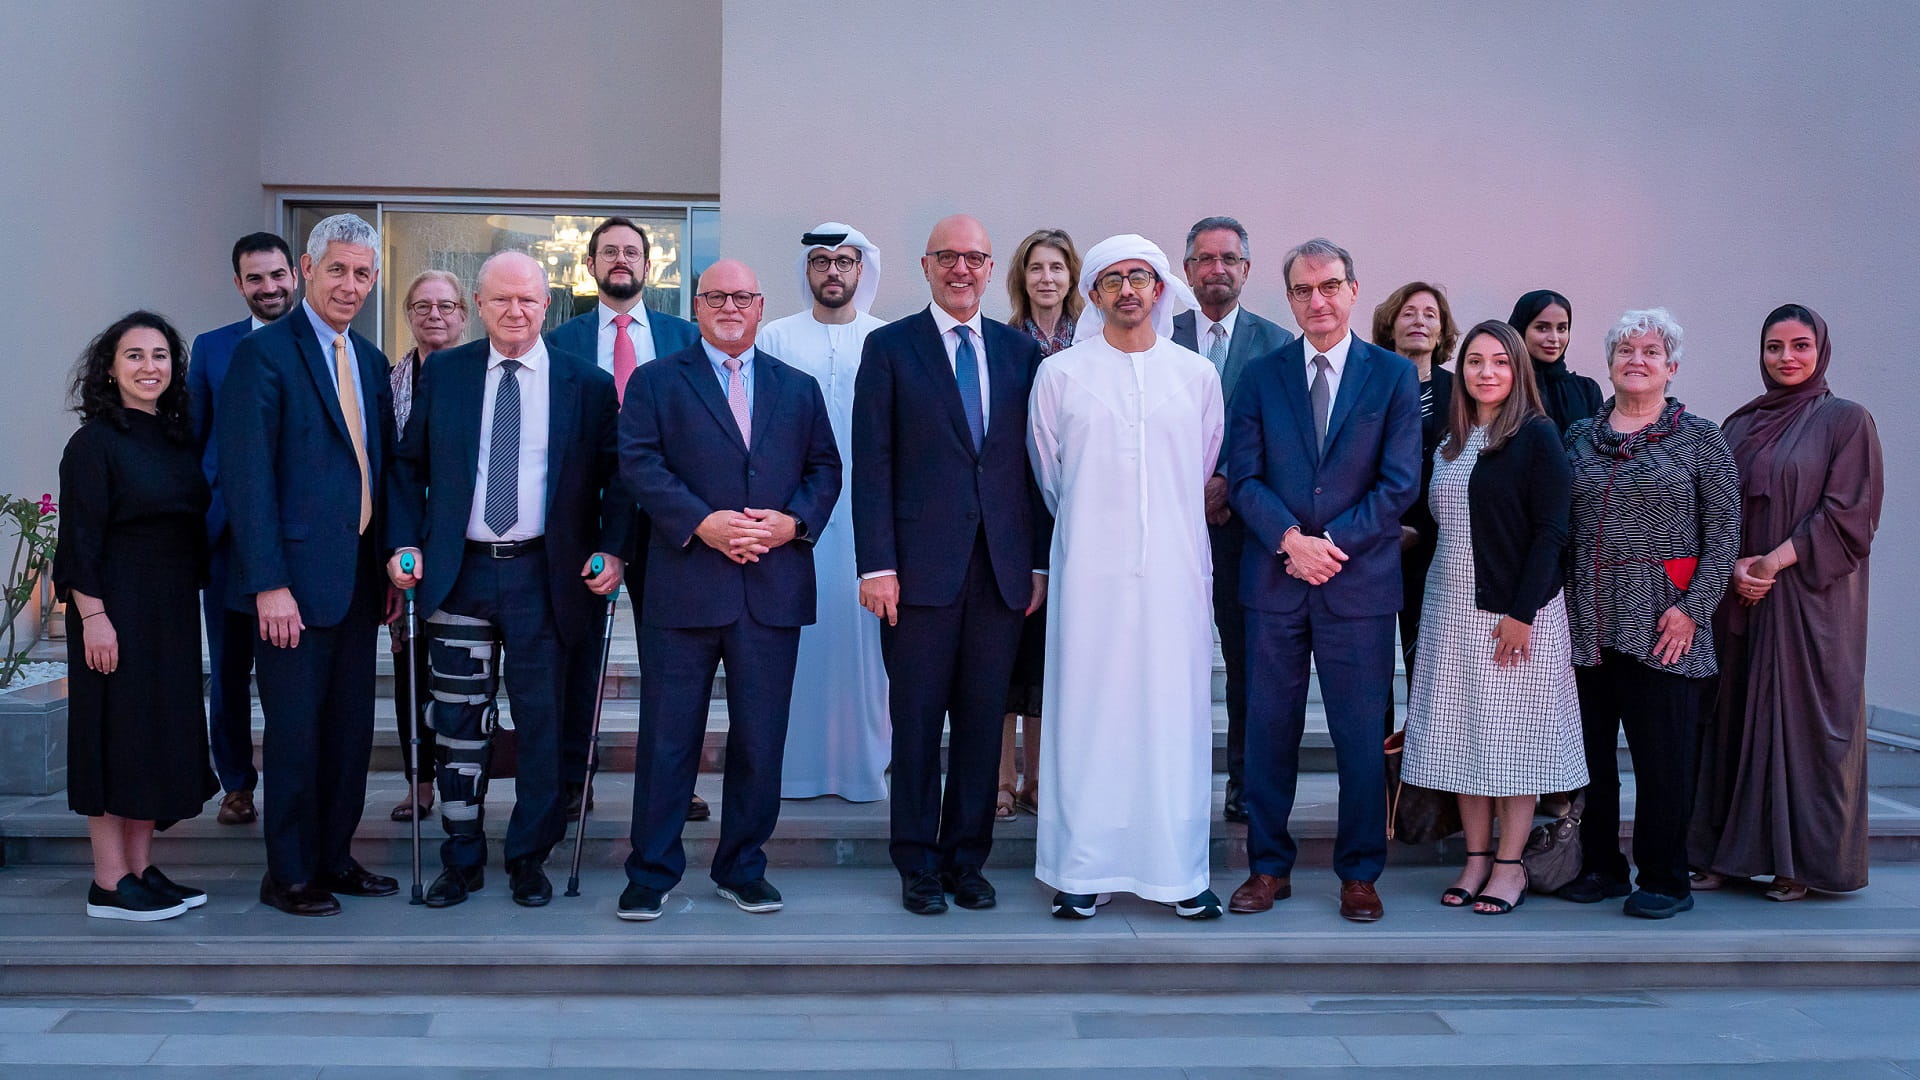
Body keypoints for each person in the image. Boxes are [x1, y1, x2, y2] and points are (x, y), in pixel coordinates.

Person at [387, 252, 626, 908]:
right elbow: (407, 467)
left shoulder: (587, 384)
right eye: (500, 301)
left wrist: (613, 551)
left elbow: (619, 479)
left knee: (542, 723)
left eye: (527, 300)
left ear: (547, 305)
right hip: (459, 573)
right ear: (480, 305)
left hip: (544, 576)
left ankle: (529, 856)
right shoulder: (448, 374)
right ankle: (460, 857)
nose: (514, 312)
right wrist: (404, 540)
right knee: (459, 723)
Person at [616, 259, 840, 921]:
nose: (731, 306)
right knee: (667, 737)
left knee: (760, 739)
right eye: (717, 296)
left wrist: (791, 523)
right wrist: (703, 524)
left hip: (771, 588)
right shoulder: (657, 382)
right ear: (697, 305)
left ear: (761, 305)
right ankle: (650, 872)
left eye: (743, 296)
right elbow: (638, 461)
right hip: (685, 585)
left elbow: (825, 467)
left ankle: (742, 867)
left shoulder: (796, 389)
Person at [1027, 233, 1224, 920]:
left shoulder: (1196, 377)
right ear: (1095, 294)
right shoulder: (1061, 376)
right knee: (1090, 717)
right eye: (1113, 280)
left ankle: (1178, 871)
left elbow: (1201, 469)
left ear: (1162, 288)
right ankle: (1083, 870)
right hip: (1089, 579)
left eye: (1141, 276)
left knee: (1173, 719)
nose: (1128, 290)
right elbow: (1051, 475)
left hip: (1174, 576)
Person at [854, 215, 1046, 915]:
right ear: (926, 266)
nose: (962, 269)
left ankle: (968, 861)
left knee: (977, 723)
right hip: (915, 577)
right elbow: (871, 464)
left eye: (975, 257)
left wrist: (1038, 566)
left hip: (999, 576)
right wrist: (876, 565)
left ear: (991, 268)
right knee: (914, 724)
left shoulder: (1020, 355)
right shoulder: (890, 348)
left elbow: (1032, 470)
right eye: (948, 257)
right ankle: (917, 865)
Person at [1227, 238, 1420, 923]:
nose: (1319, 301)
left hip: (1357, 584)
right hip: (1275, 583)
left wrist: (1327, 545)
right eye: (1305, 291)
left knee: (1360, 736)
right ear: (1291, 299)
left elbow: (1399, 484)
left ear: (1353, 289)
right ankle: (1267, 868)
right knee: (1269, 731)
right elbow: (1243, 477)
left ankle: (1360, 872)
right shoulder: (1260, 375)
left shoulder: (1393, 377)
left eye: (1330, 286)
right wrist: (1288, 541)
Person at [220, 213, 400, 917]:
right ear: (305, 270)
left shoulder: (372, 361)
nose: (350, 285)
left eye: (362, 273)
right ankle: (288, 872)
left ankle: (333, 856)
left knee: (349, 732)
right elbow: (247, 479)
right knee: (295, 734)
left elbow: (376, 474)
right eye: (337, 270)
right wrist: (268, 582)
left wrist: (386, 566)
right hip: (289, 588)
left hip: (356, 582)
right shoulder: (264, 357)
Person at [1690, 305, 1882, 901]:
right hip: (1741, 597)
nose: (1786, 358)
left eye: (1800, 346)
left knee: (1799, 725)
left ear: (1821, 351)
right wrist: (1736, 566)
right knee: (1732, 720)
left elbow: (1849, 514)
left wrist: (1772, 561)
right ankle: (1726, 855)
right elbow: (1714, 506)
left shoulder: (1846, 421)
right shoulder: (1740, 425)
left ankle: (1798, 863)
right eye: (1774, 347)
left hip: (1810, 603)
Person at [1400, 321, 1586, 915]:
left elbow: (1552, 531)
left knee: (1515, 742)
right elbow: (1439, 526)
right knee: (1460, 741)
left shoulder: (1536, 436)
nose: (1486, 372)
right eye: (1475, 361)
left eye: (1500, 362)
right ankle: (1475, 857)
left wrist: (1521, 613)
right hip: (1447, 612)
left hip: (1512, 615)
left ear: (1518, 371)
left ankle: (1509, 866)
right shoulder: (1450, 443)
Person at [1560, 308, 1739, 919]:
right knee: (1591, 760)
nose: (1637, 360)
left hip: (1665, 627)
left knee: (1664, 763)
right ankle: (1602, 868)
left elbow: (1724, 537)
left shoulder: (1701, 439)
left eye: (1650, 351)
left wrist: (1692, 610)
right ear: (1608, 364)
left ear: (1672, 367)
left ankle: (1666, 877)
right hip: (1587, 627)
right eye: (1625, 350)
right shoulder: (1578, 437)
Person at [56, 312, 217, 920]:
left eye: (160, 356)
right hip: (113, 608)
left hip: (170, 609)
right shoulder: (94, 442)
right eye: (134, 356)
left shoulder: (177, 438)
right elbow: (79, 539)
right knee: (114, 736)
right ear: (109, 368)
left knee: (156, 736)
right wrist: (93, 616)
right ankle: (107, 881)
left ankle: (141, 868)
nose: (150, 367)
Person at [546, 216, 704, 822]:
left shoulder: (686, 336)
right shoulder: (560, 340)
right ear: (589, 266)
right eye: (608, 251)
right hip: (586, 526)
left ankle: (673, 786)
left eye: (632, 252)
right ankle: (570, 783)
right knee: (577, 659)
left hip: (671, 524)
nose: (621, 260)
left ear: (649, 266)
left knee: (673, 667)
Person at [758, 223, 890, 803]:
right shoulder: (776, 338)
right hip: (799, 520)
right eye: (821, 262)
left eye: (844, 262)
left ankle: (864, 769)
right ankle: (794, 771)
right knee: (799, 646)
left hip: (869, 520)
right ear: (806, 272)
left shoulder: (885, 340)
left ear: (862, 271)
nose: (832, 272)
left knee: (865, 652)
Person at [1172, 216, 1295, 823]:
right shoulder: (1155, 337)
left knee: (1249, 665)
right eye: (1204, 259)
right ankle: (1170, 777)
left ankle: (1244, 783)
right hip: (1170, 532)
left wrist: (1225, 485)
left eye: (1228, 259)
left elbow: (1286, 438)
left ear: (1246, 269)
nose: (1216, 269)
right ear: (1187, 268)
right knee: (1167, 659)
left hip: (1247, 535)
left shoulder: (1278, 345)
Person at [185, 232, 299, 827]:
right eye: (255, 279)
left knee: (290, 671)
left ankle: (291, 781)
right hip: (228, 538)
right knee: (228, 668)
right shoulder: (211, 349)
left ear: (295, 274)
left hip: (300, 537)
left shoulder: (320, 344)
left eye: (277, 274)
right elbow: (194, 440)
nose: (269, 287)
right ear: (239, 285)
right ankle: (235, 782)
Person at [996, 228, 1081, 820]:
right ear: (1021, 279)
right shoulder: (1001, 344)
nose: (1046, 278)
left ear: (1073, 276)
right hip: (1015, 514)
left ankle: (1042, 781)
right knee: (1009, 655)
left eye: (1056, 267)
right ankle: (1002, 780)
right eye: (1035, 268)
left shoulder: (1095, 343)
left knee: (1056, 660)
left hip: (1077, 517)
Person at [386, 269, 468, 823]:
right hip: (410, 549)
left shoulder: (480, 376)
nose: (433, 315)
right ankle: (420, 782)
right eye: (421, 307)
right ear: (409, 316)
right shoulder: (384, 380)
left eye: (445, 306)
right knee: (410, 669)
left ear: (464, 314)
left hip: (476, 545)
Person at [1371, 282, 1458, 740]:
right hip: (1375, 546)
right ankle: (1380, 791)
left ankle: (1425, 791)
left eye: (1430, 314)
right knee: (1373, 679)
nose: (1420, 321)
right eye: (1409, 312)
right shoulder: (1369, 384)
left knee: (1429, 673)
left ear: (1442, 329)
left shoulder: (1460, 391)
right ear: (1391, 323)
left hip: (1441, 552)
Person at [1508, 290, 1602, 435]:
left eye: (1561, 328)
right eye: (1542, 328)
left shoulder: (1586, 391)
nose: (1554, 338)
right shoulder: (1506, 386)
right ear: (1521, 330)